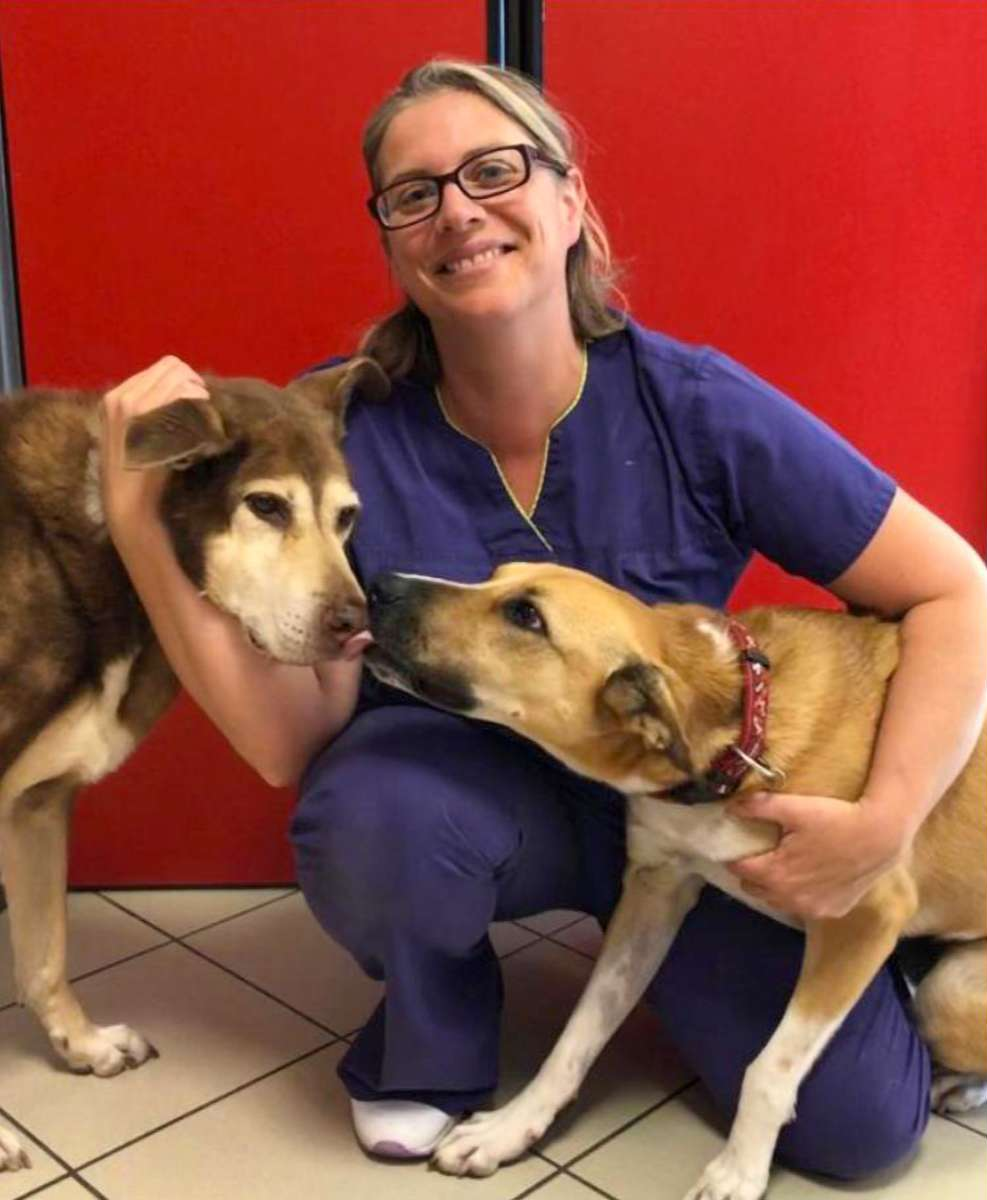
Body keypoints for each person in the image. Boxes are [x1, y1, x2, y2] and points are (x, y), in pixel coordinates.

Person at [101, 60, 987, 1177]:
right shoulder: (343, 420)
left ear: (570, 202)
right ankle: (434, 1034)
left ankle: (887, 961)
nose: (457, 211)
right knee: (369, 817)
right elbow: (288, 741)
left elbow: (957, 591)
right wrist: (138, 521)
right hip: (467, 794)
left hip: (686, 797)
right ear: (393, 244)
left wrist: (883, 824)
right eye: (414, 193)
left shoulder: (694, 407)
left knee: (859, 1135)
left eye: (493, 170)